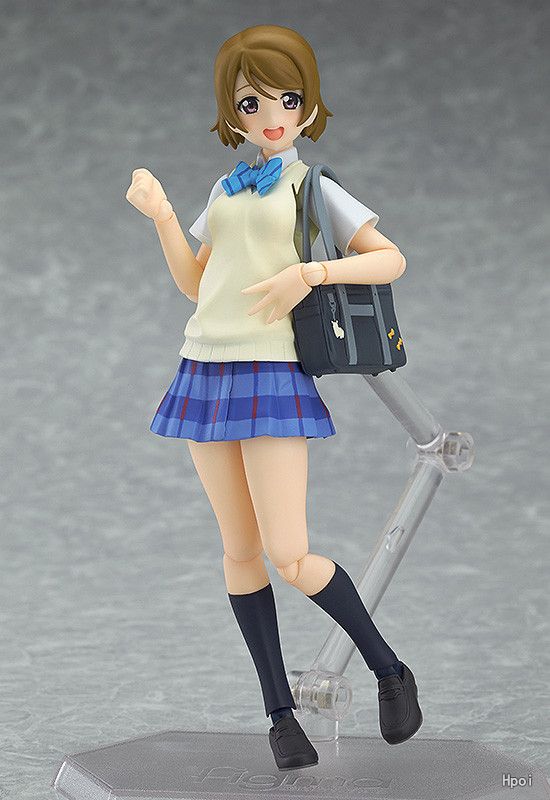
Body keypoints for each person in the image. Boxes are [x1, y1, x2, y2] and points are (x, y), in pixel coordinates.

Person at [126, 24, 422, 771]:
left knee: (289, 552)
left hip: (271, 370)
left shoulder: (311, 187)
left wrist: (310, 275)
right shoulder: (225, 188)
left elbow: (390, 259)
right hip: (205, 367)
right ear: (232, 111)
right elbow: (196, 283)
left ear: (308, 105)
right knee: (239, 550)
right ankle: (279, 716)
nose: (270, 116)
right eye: (251, 102)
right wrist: (163, 216)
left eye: (287, 100)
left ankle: (389, 670)